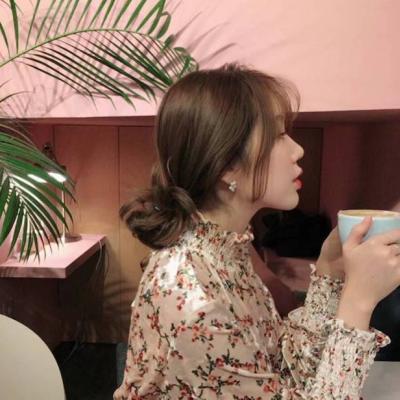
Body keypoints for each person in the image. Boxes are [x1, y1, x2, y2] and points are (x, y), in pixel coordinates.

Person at [114, 64, 400, 399]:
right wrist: (358, 303)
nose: (298, 150)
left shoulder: (225, 250)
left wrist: (328, 272)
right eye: (278, 135)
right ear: (227, 165)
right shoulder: (193, 299)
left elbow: (281, 370)